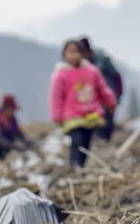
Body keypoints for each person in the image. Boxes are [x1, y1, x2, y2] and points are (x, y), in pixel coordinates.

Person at [49, 40, 117, 168]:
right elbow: (56, 97)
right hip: (72, 115)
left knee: (87, 141)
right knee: (77, 140)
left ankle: (82, 165)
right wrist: (57, 117)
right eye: (70, 52)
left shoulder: (92, 71)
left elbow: (102, 89)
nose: (74, 56)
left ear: (83, 53)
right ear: (64, 55)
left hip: (90, 113)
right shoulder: (60, 75)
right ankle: (75, 164)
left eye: (77, 52)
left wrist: (110, 102)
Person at [78, 37, 123, 141]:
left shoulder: (102, 59)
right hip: (92, 96)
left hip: (109, 91)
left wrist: (118, 92)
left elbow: (116, 75)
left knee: (108, 117)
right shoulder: (80, 64)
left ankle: (105, 139)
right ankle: (98, 138)